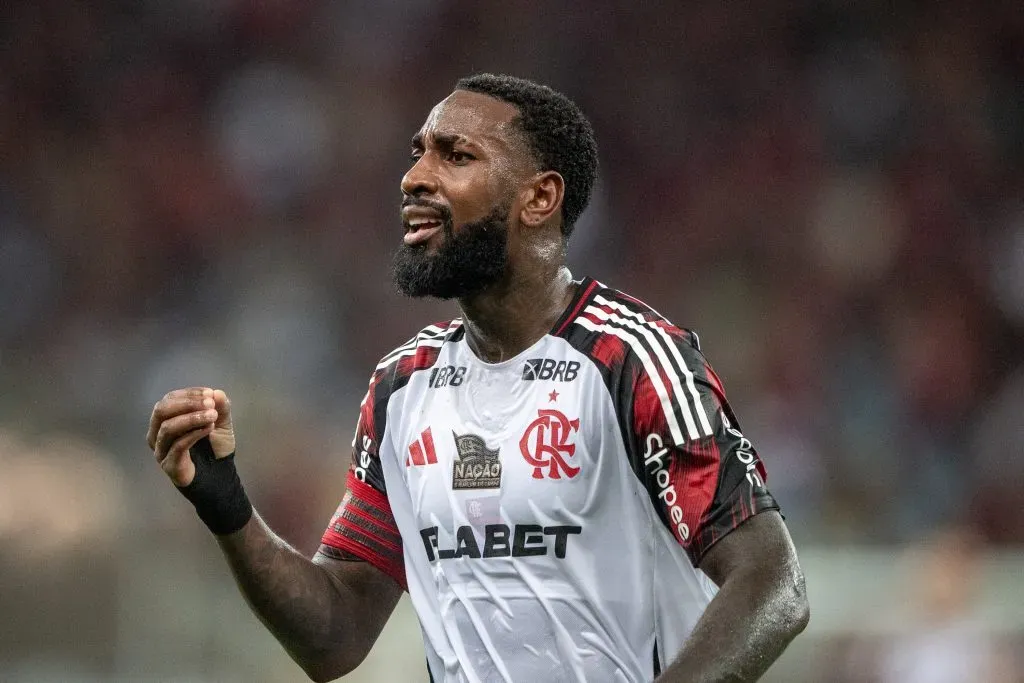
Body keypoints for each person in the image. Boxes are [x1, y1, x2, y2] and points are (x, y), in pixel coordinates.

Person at [147, 73, 809, 683]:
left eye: (455, 156)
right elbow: (335, 634)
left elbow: (772, 580)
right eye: (417, 152)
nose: (414, 178)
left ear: (540, 197)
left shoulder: (631, 361)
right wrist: (228, 507)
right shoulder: (403, 387)